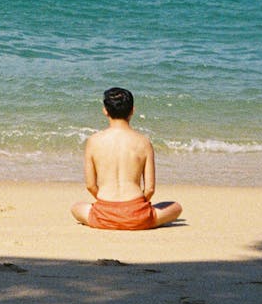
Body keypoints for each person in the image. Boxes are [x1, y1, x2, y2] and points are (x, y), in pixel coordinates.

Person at [70, 87, 182, 229]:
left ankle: (110, 217)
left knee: (76, 207)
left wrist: (110, 205)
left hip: (103, 214)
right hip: (137, 216)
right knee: (176, 207)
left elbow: (90, 186)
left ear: (105, 110)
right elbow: (150, 189)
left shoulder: (94, 141)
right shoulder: (143, 142)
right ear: (132, 110)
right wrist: (135, 207)